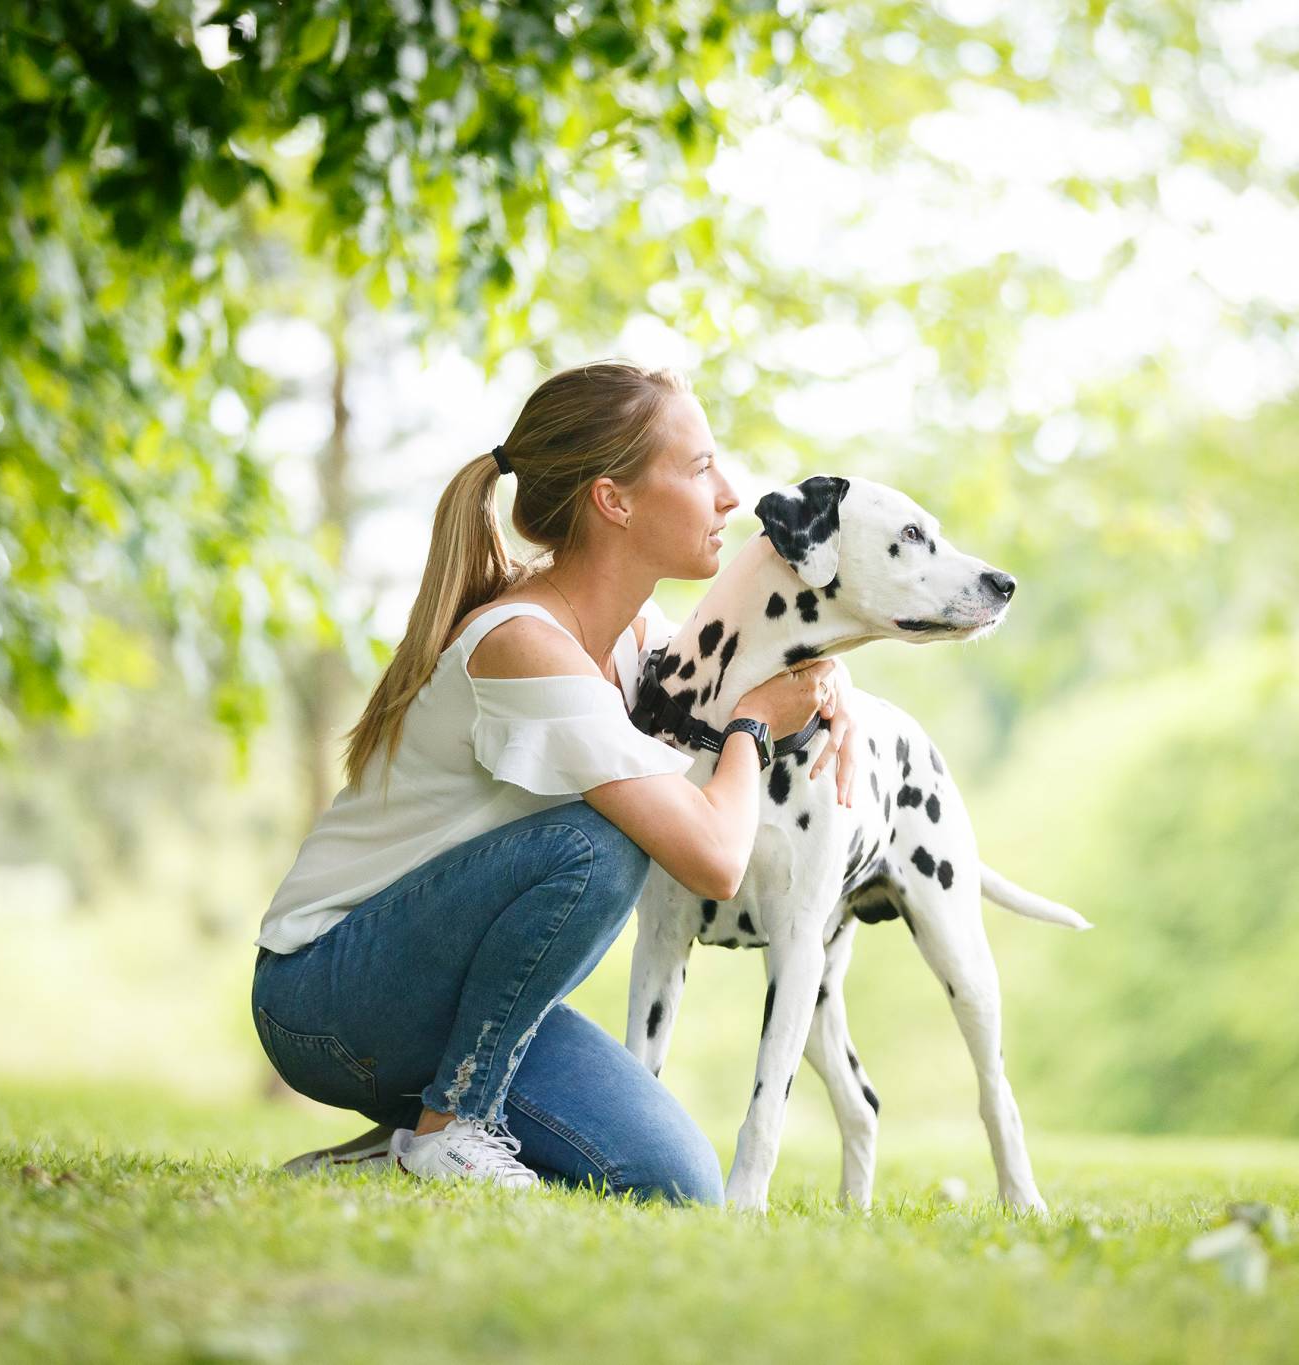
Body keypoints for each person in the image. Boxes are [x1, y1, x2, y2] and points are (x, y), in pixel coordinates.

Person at [251, 360, 861, 1204]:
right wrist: (755, 725)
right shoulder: (524, 644)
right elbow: (715, 858)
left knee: (675, 1180)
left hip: (447, 995)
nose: (731, 494)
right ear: (614, 500)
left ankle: (400, 1147)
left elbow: (752, 660)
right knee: (606, 840)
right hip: (326, 995)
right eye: (698, 467)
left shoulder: (632, 642)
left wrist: (833, 686)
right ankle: (453, 1125)